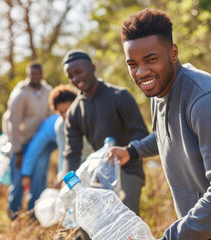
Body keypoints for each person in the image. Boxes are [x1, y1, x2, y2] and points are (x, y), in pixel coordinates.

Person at [108, 8, 211, 239]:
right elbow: (168, 134)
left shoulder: (207, 101)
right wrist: (131, 152)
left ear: (173, 53)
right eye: (132, 64)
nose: (141, 72)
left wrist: (171, 237)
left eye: (151, 59)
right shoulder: (160, 90)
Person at [62, 50, 149, 216]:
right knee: (89, 221)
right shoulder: (74, 112)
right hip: (99, 175)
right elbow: (71, 153)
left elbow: (141, 134)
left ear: (93, 68)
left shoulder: (119, 96)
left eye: (78, 72)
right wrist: (69, 186)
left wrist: (126, 152)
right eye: (70, 76)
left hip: (128, 169)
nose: (75, 79)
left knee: (125, 217)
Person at [20, 84, 93, 216]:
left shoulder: (88, 116)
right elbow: (64, 152)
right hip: (76, 163)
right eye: (61, 112)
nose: (66, 115)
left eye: (68, 110)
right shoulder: (60, 126)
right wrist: (62, 175)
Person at [3, 61, 52, 220]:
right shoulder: (20, 93)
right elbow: (13, 123)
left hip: (40, 144)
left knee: (39, 181)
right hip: (21, 145)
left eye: (38, 74)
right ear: (28, 75)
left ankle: (34, 217)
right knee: (18, 182)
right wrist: (17, 150)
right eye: (33, 74)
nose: (36, 77)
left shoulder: (48, 92)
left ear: (42, 74)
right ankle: (14, 217)